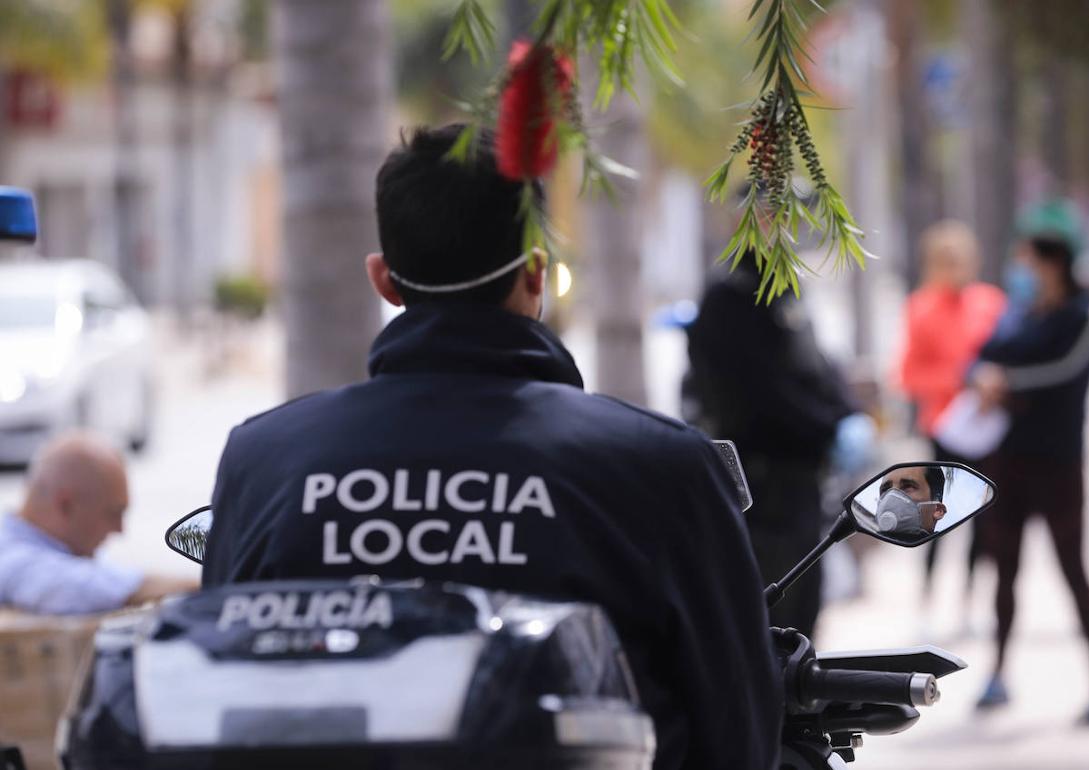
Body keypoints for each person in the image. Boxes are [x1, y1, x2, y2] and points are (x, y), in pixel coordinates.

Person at [201, 125, 781, 770]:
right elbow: (740, 731)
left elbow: (218, 698)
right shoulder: (660, 465)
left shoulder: (264, 459)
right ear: (536, 272)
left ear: (384, 281)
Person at [970, 202, 1089, 723]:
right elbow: (983, 356)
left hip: (1058, 464)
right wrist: (988, 377)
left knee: (1074, 571)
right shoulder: (1022, 314)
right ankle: (997, 675)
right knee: (1003, 572)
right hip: (1010, 462)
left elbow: (1065, 371)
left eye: (1028, 258)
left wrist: (1003, 382)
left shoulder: (1085, 314)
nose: (1021, 268)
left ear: (1053, 261)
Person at [683, 253, 868, 638]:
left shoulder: (787, 286)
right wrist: (827, 428)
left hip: (803, 480)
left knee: (805, 611)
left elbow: (816, 364)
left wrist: (847, 412)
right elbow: (756, 396)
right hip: (761, 486)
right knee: (773, 615)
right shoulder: (728, 297)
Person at [897, 220, 1006, 590]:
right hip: (943, 426)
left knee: (984, 517)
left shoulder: (990, 302)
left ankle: (971, 594)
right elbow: (908, 375)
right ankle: (928, 593)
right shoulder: (920, 307)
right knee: (935, 515)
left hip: (986, 425)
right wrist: (956, 380)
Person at [0, 432, 198, 614]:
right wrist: (210, 586)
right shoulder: (14, 561)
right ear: (65, 506)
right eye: (113, 513)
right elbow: (76, 587)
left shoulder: (52, 550)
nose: (120, 529)